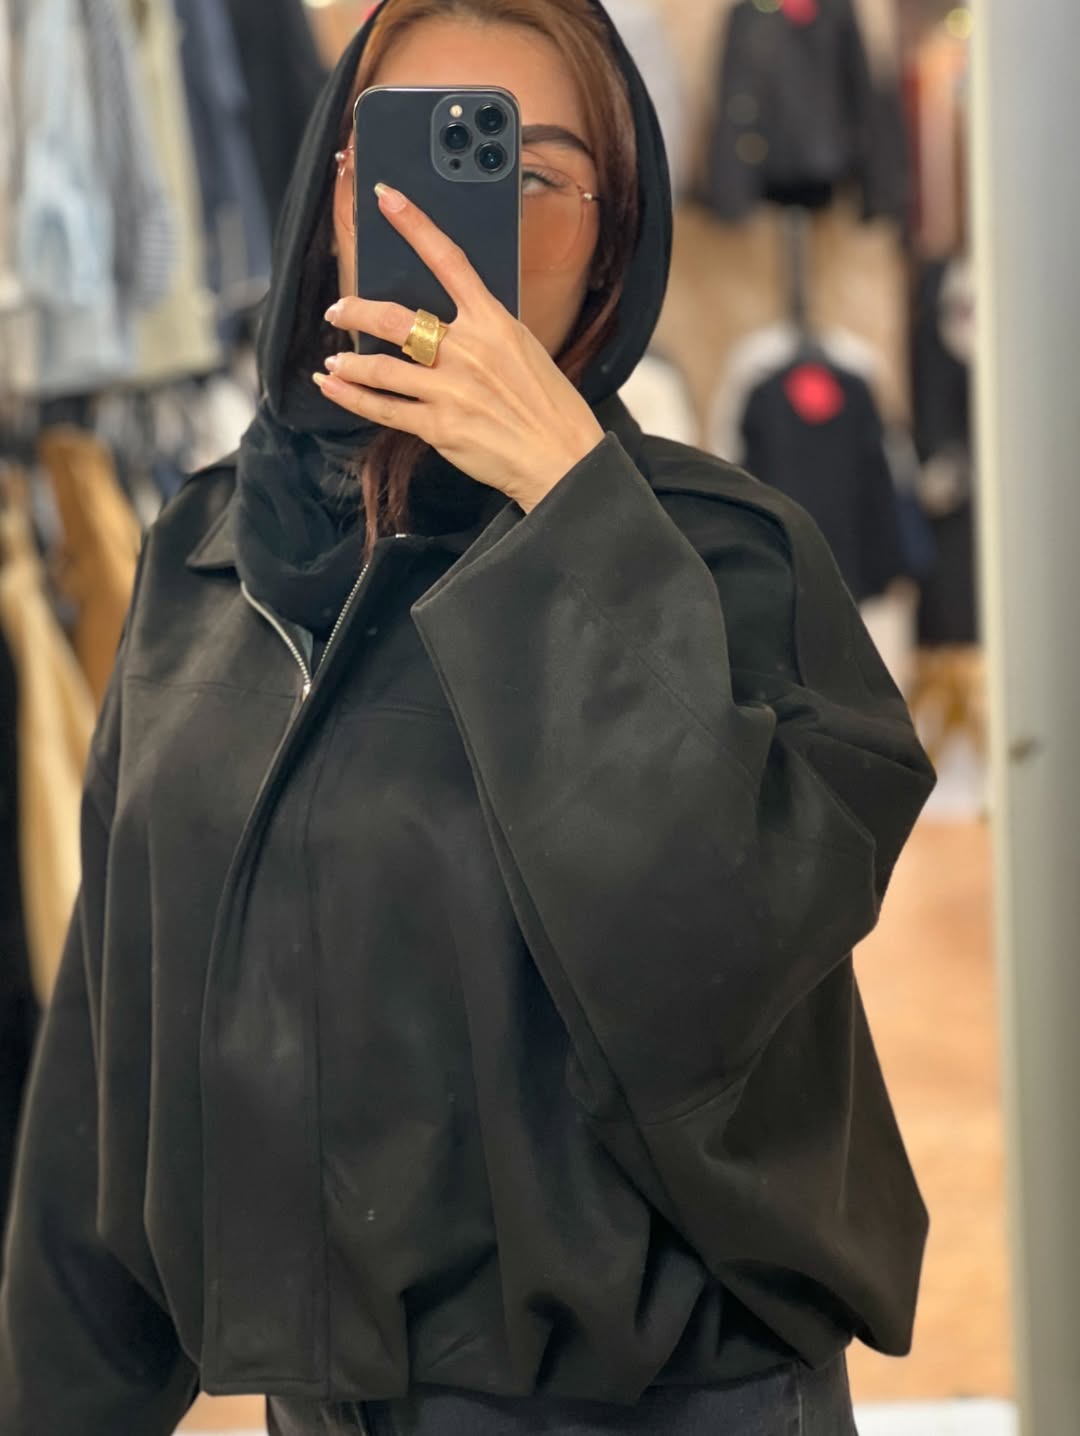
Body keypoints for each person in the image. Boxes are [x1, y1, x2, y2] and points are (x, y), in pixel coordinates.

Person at [0, 2, 936, 1433]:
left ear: (614, 238)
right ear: (331, 201)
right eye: (402, 156)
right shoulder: (208, 557)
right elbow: (111, 1041)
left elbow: (723, 951)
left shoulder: (732, 559)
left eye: (528, 167)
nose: (450, 219)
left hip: (667, 1406)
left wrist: (570, 510)